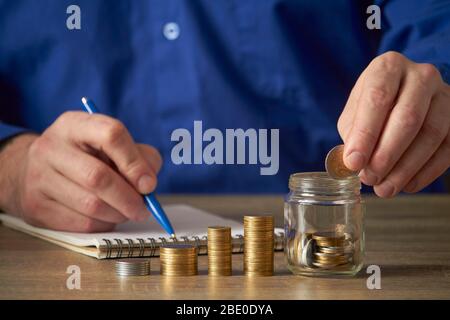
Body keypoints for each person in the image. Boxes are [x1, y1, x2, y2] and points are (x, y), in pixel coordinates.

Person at [0, 0, 449, 232]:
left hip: (375, 225)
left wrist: (437, 76)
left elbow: (434, 18)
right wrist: (11, 165)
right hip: (66, 245)